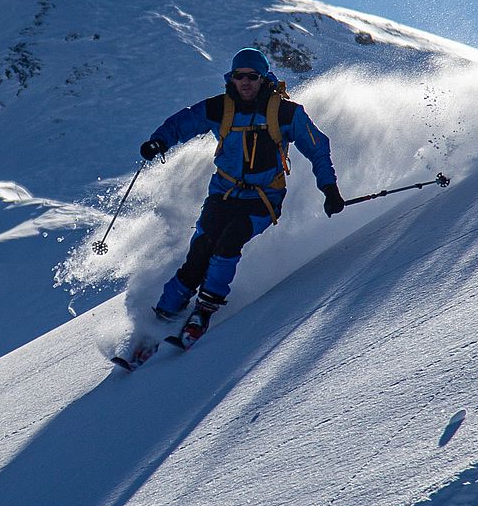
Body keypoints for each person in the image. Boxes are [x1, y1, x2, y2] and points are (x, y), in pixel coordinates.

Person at [139, 47, 344, 346]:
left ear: (263, 79)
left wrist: (329, 188)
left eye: (252, 77)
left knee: (229, 240)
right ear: (231, 78)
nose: (245, 82)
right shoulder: (220, 108)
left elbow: (317, 147)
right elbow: (183, 122)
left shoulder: (286, 112)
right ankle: (164, 316)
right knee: (200, 250)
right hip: (223, 193)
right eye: (239, 76)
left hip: (263, 198)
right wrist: (159, 141)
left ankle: (205, 309)